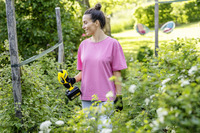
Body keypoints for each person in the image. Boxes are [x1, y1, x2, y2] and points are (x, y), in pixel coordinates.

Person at [65, 3, 127, 131]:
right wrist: (72, 80)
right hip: (86, 98)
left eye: (85, 23)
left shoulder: (113, 44)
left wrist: (119, 96)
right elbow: (84, 72)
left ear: (97, 23)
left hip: (106, 98)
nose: (83, 26)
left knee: (105, 130)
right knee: (89, 130)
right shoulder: (83, 45)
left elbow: (117, 73)